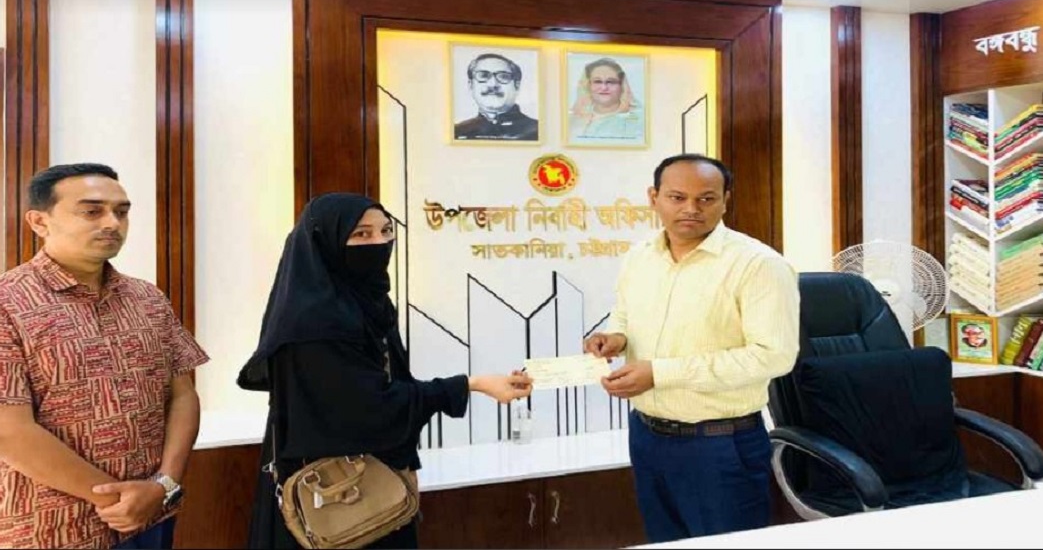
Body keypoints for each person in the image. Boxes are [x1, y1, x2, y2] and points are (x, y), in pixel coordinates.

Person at [238, 192, 533, 549]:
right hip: (334, 501)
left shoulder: (365, 306)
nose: (379, 242)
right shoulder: (314, 324)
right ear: (326, 242)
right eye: (361, 234)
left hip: (373, 495)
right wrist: (471, 384)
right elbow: (370, 409)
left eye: (386, 231)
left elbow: (386, 386)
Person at [0, 163, 209, 550]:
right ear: (39, 222)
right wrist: (119, 500)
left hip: (150, 518)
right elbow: (7, 433)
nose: (112, 223)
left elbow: (183, 395)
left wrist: (163, 486)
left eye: (121, 212)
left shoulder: (148, 299)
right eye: (91, 211)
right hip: (43, 528)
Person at [583, 153, 800, 544]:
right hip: (647, 436)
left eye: (706, 199)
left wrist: (659, 373)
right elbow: (625, 314)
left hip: (719, 445)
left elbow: (774, 355)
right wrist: (615, 336)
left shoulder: (758, 265)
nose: (691, 209)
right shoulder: (640, 256)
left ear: (725, 201)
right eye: (677, 197)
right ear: (654, 198)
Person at [454, 53, 539, 141]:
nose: (493, 84)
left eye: (503, 76)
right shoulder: (457, 132)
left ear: (517, 86)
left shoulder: (537, 131)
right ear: (471, 85)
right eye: (483, 75)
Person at [567, 57, 645, 145]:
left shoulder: (639, 120)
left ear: (622, 86)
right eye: (597, 81)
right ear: (588, 85)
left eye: (611, 82)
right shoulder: (573, 119)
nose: (604, 87)